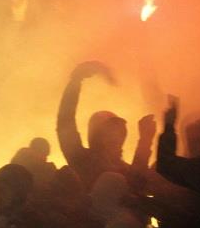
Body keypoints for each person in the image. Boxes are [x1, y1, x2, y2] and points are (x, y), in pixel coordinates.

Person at [56, 61, 155, 190]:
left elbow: (137, 184)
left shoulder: (124, 168)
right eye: (110, 131)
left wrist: (145, 140)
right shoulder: (82, 159)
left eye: (119, 131)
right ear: (97, 135)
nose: (116, 136)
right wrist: (75, 83)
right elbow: (65, 121)